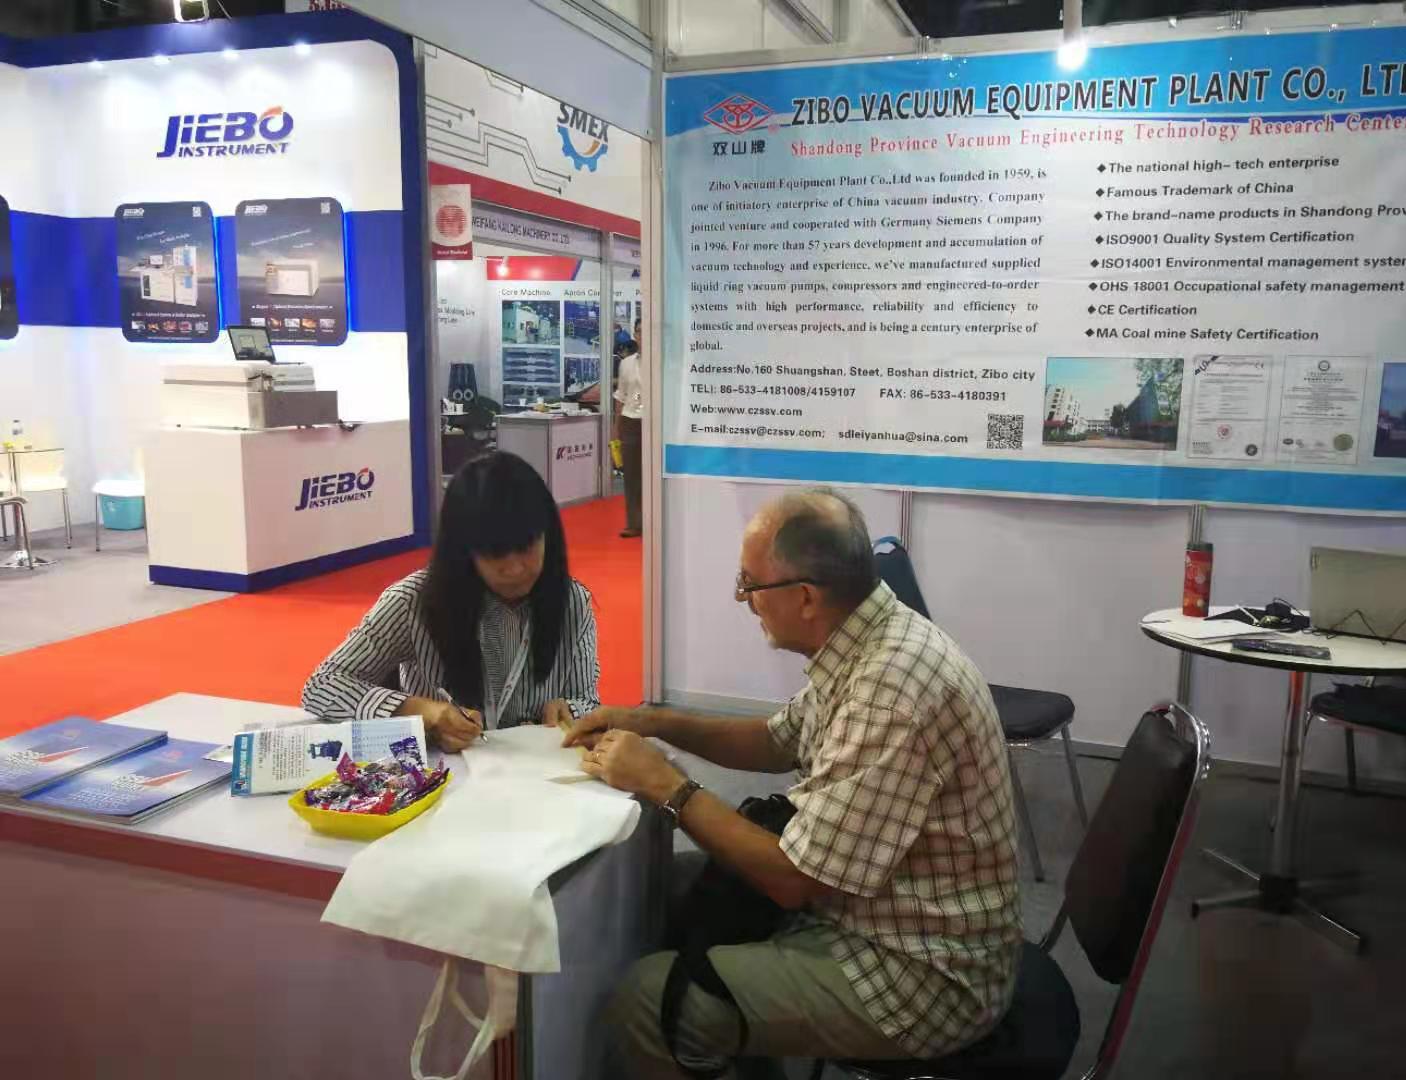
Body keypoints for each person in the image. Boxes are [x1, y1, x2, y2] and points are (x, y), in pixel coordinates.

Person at [562, 489, 1021, 1077]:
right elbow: (777, 740)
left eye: (749, 584)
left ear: (805, 596)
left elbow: (791, 880)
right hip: (874, 907)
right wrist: (648, 722)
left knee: (648, 1001)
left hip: (921, 969)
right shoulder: (868, 637)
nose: (744, 600)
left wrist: (668, 785)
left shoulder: (891, 690)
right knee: (663, 890)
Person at [301, 452, 599, 748]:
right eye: (494, 553)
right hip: (443, 771)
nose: (515, 569)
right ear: (463, 550)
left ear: (548, 535)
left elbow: (587, 700)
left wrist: (569, 710)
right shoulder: (411, 602)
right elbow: (322, 685)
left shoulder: (572, 601)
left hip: (539, 769)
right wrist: (422, 711)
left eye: (526, 547)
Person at [615, 337, 644, 538]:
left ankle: (655, 522)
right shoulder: (626, 363)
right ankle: (634, 523)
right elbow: (621, 395)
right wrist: (616, 426)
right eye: (639, 331)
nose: (643, 334)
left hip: (656, 421)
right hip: (631, 419)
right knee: (632, 474)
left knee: (654, 474)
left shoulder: (665, 361)